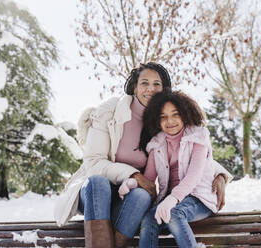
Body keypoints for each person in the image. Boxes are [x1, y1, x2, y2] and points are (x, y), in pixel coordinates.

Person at [54, 63, 232, 248]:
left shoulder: (159, 122)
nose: (150, 89)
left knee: (142, 196)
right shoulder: (111, 111)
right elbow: (93, 162)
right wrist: (133, 176)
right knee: (98, 182)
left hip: (127, 203)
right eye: (144, 83)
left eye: (157, 84)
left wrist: (220, 175)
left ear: (164, 89)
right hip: (96, 195)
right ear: (135, 86)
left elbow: (186, 150)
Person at [119, 90, 220, 247]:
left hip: (199, 197)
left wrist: (173, 199)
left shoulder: (198, 137)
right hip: (171, 201)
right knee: (148, 219)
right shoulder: (156, 144)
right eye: (163, 117)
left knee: (174, 214)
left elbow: (194, 175)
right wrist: (132, 183)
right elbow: (149, 180)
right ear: (157, 120)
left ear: (184, 114)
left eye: (175, 114)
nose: (170, 121)